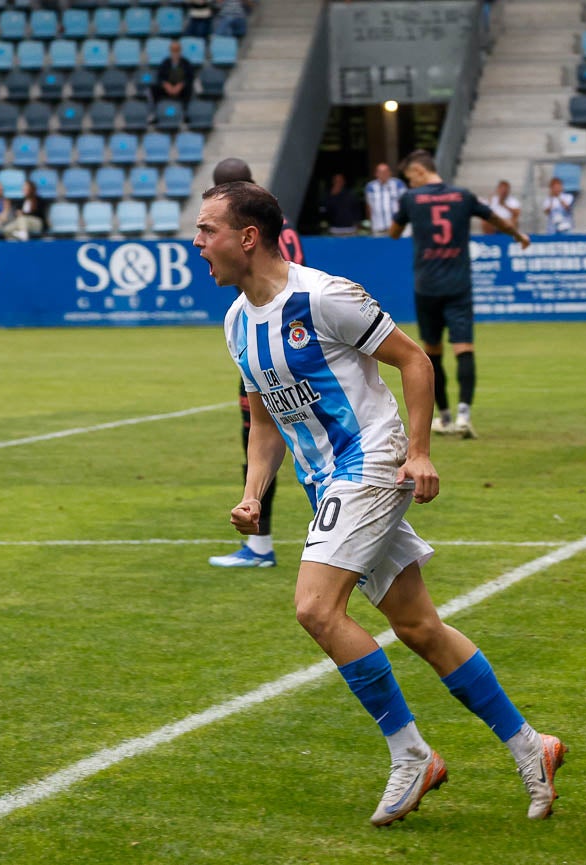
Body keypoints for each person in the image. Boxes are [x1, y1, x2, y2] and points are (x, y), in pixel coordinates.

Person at [195, 180, 566, 827]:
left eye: (206, 230)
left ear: (246, 237)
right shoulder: (235, 323)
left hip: (367, 462)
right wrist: (253, 495)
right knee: (419, 626)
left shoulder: (324, 296)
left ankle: (410, 752)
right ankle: (531, 743)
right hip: (325, 484)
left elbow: (414, 360)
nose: (196, 243)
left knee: (314, 606)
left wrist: (419, 450)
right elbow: (261, 421)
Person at [389, 150, 529, 439]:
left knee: (432, 352)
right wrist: (518, 236)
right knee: (464, 347)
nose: (409, 184)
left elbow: (393, 231)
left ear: (417, 171)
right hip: (458, 285)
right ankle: (464, 415)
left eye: (408, 178)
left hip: (426, 286)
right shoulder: (463, 196)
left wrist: (403, 221)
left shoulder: (412, 199)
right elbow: (497, 219)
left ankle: (444, 416)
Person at [206, 156, 302, 570]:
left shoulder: (243, 226)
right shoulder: (277, 219)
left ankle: (260, 548)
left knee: (260, 440)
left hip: (267, 343)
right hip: (294, 337)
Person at [364, 162, 406, 237]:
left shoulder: (398, 184)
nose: (383, 174)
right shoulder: (370, 187)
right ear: (376, 174)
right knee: (379, 248)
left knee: (396, 248)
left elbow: (405, 204)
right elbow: (369, 207)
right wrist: (371, 224)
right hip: (378, 227)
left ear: (390, 173)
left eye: (386, 172)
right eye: (381, 172)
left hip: (395, 226)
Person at [151, 38, 195, 106]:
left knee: (189, 89)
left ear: (180, 51)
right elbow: (160, 77)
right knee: (154, 88)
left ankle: (184, 111)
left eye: (177, 50)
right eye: (173, 51)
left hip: (181, 88)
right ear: (170, 51)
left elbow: (190, 77)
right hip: (168, 87)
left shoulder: (186, 63)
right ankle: (159, 108)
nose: (175, 53)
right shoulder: (165, 62)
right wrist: (166, 85)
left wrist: (181, 85)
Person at [320, 172, 361, 236]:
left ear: (344, 182)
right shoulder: (328, 196)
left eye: (340, 181)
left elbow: (356, 210)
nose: (338, 183)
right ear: (333, 182)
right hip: (335, 229)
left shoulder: (350, 195)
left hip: (350, 229)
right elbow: (324, 210)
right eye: (336, 181)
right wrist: (332, 195)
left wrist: (357, 223)